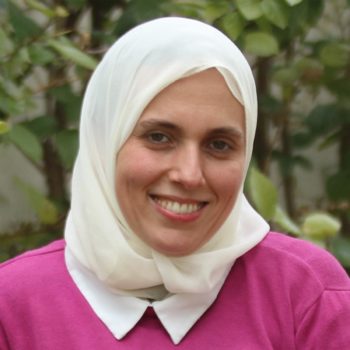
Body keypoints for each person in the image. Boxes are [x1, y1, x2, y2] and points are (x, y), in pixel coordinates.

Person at [0, 17, 349, 349]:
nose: (189, 174)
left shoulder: (304, 295)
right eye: (159, 137)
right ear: (105, 142)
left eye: (219, 145)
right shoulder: (12, 307)